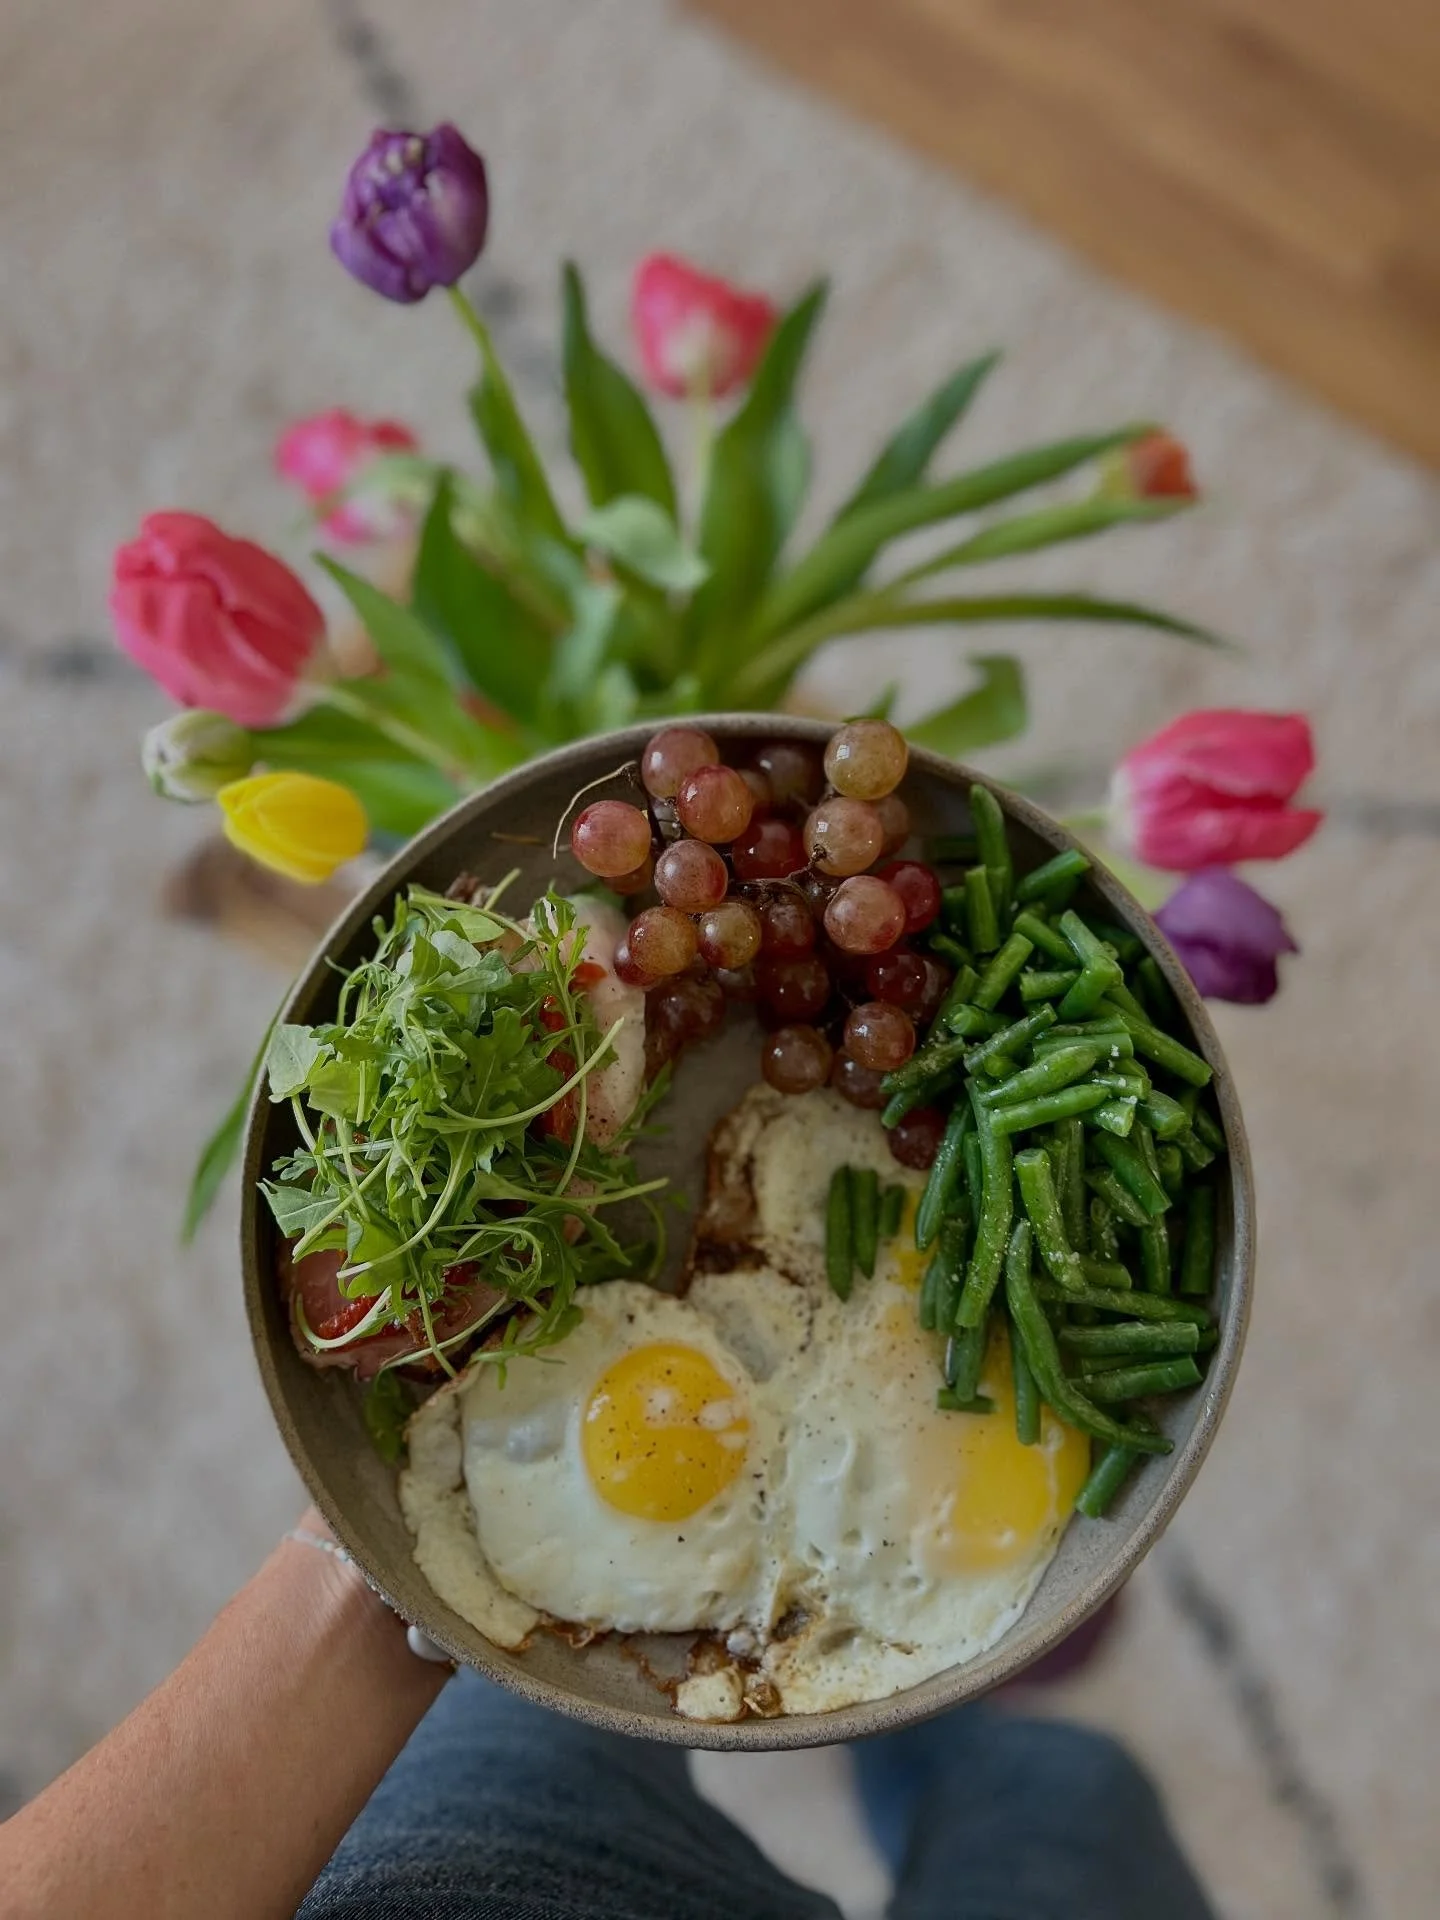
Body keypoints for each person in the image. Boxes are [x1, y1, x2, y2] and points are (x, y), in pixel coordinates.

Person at [1, 1510, 1216, 1919]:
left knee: (566, 1645)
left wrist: (374, 1570)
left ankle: (900, 1640)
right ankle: (929, 1664)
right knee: (1072, 1796)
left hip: (465, 1889)